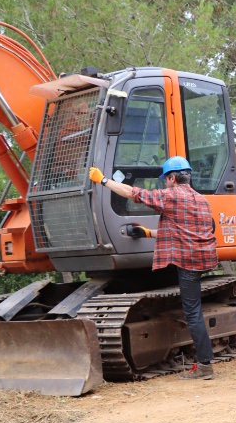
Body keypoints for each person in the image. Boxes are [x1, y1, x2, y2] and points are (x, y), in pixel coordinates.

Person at [89, 157, 218, 380]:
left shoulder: (171, 195)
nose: (165, 184)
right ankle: (204, 361)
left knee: (192, 312)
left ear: (172, 178)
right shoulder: (201, 200)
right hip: (202, 258)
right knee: (194, 309)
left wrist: (103, 180)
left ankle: (205, 365)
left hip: (187, 261)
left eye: (165, 180)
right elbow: (183, 231)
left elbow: (132, 193)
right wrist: (149, 233)